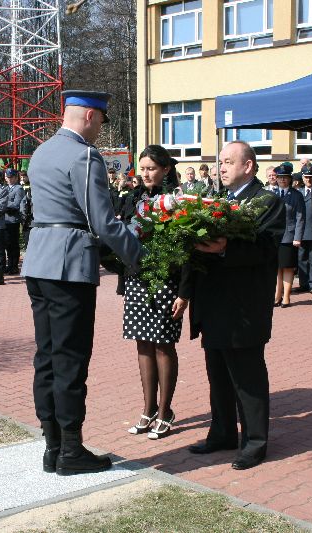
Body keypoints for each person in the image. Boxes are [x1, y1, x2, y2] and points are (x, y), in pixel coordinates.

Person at [22, 90, 143, 476]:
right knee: (71, 359)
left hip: (39, 259)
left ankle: (53, 446)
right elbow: (103, 221)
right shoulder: (83, 155)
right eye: (100, 123)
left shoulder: (41, 152)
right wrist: (138, 255)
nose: (99, 133)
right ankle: (71, 451)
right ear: (90, 116)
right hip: (68, 264)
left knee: (47, 357)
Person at [186, 140, 285, 471]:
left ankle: (255, 441)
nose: (221, 167)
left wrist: (225, 248)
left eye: (229, 162)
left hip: (244, 306)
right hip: (214, 303)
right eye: (220, 162)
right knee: (218, 374)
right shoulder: (216, 201)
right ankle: (223, 432)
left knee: (247, 376)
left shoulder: (266, 201)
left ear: (248, 166)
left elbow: (266, 249)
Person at [124, 145, 188, 441]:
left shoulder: (179, 200)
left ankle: (165, 411)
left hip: (168, 282)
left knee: (163, 346)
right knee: (143, 346)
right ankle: (148, 409)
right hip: (139, 281)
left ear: (165, 169)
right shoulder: (134, 199)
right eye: (143, 168)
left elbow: (189, 250)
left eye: (152, 168)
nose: (146, 173)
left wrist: (184, 293)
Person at [272, 163, 304, 307]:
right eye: (280, 177)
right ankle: (276, 296)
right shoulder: (272, 194)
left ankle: (286, 297)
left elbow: (300, 217)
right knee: (276, 268)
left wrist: (297, 237)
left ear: (290, 179)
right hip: (274, 237)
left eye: (285, 177)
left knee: (287, 267)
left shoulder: (296, 195)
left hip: (289, 237)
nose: (282, 180)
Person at [297, 164, 312, 293]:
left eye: (311, 177)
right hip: (300, 231)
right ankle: (303, 283)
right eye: (306, 177)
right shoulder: (298, 193)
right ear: (302, 178)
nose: (308, 180)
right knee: (301, 258)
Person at [4, 169, 25, 275]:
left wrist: (3, 204)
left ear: (16, 178)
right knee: (7, 244)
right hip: (5, 220)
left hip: (13, 220)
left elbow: (17, 204)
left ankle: (14, 266)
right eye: (8, 177)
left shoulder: (18, 189)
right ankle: (9, 265)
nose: (9, 179)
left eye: (11, 177)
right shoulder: (5, 188)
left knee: (13, 244)